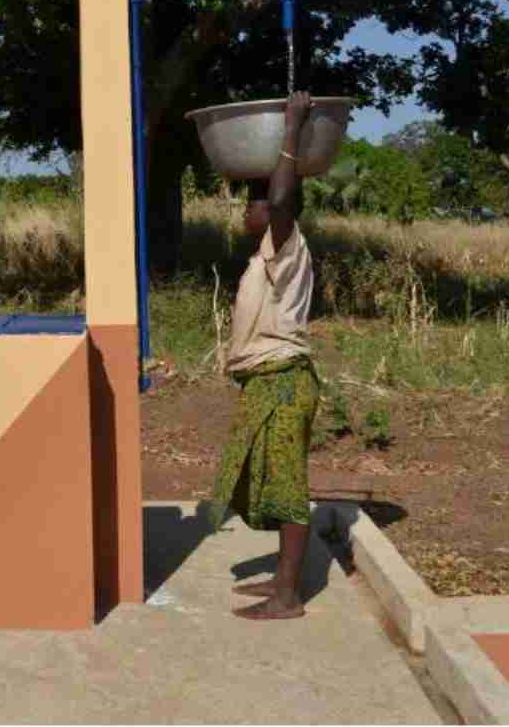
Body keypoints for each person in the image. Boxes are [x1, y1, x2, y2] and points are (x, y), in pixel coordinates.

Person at [209, 91, 320, 621]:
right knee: (269, 481)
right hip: (267, 382)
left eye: (252, 202)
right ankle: (281, 579)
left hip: (283, 382)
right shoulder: (268, 256)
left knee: (290, 487)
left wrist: (292, 128)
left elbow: (280, 201)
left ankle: (288, 597)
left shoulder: (289, 241)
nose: (246, 211)